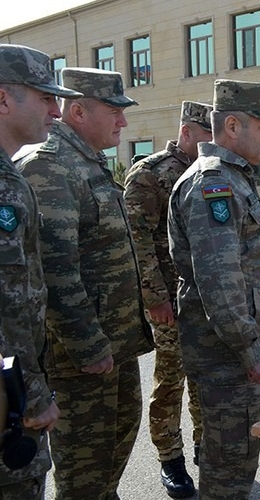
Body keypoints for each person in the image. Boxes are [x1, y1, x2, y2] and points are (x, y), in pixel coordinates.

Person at [17, 67, 154, 499]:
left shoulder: (86, 163)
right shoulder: (50, 168)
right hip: (82, 356)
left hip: (114, 345)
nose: (123, 122)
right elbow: (56, 270)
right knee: (84, 474)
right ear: (78, 111)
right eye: (114, 111)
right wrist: (88, 345)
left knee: (112, 455)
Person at [167, 79, 260, 500]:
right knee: (228, 467)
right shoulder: (212, 184)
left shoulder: (234, 179)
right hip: (228, 356)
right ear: (232, 126)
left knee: (235, 456)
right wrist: (250, 349)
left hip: (234, 352)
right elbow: (219, 279)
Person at [0, 43, 81, 500]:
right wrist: (31, 392)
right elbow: (8, 299)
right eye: (45, 96)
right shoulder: (4, 187)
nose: (57, 109)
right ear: (3, 99)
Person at [123, 100, 212, 497]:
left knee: (205, 376)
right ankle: (169, 456)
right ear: (187, 132)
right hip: (170, 299)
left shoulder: (213, 172)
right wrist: (155, 297)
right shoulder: (152, 174)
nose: (214, 143)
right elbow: (135, 239)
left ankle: (203, 448)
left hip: (207, 298)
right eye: (207, 135)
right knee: (172, 378)